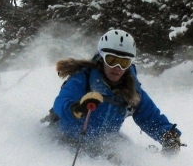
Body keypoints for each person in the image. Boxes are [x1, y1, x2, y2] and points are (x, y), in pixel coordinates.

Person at [48, 29, 182, 157]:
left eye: (124, 63)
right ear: (102, 58)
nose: (117, 68)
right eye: (112, 60)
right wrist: (76, 109)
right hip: (65, 141)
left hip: (102, 145)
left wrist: (168, 136)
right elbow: (61, 102)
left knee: (129, 155)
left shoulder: (131, 89)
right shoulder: (83, 78)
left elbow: (149, 117)